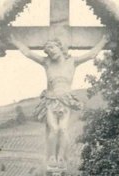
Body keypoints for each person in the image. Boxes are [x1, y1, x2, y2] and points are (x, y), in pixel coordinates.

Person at [9, 33, 107, 166]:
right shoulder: (46, 63)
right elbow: (28, 53)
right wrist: (15, 42)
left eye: (52, 48)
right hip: (51, 101)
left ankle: (61, 157)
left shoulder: (72, 62)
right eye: (48, 51)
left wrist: (103, 41)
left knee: (63, 129)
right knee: (54, 129)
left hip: (66, 101)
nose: (50, 52)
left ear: (60, 47)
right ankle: (51, 158)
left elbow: (91, 55)